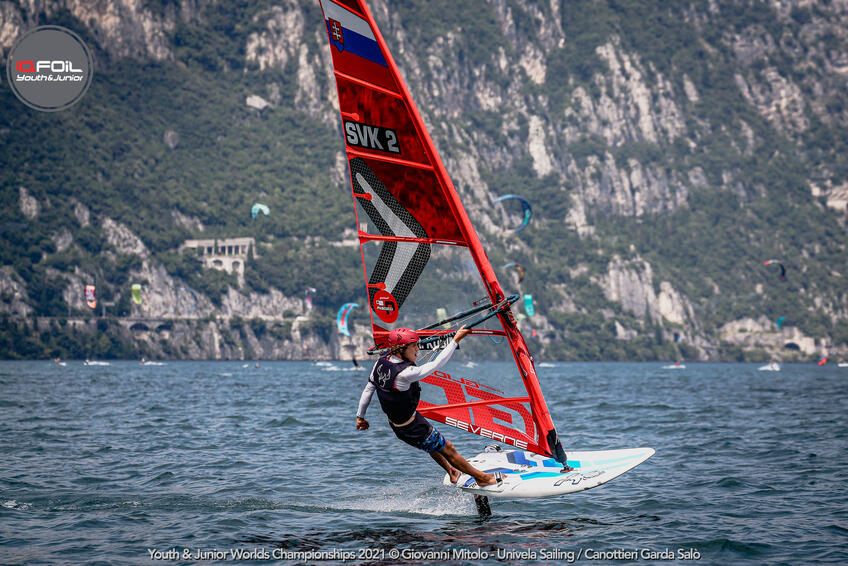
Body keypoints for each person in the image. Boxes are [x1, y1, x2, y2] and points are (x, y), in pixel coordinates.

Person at [355, 326, 500, 487]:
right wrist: (455, 340)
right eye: (414, 346)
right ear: (400, 349)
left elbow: (369, 388)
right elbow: (437, 363)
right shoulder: (405, 373)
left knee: (429, 443)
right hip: (411, 426)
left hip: (400, 424)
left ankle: (452, 472)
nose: (418, 349)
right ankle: (482, 478)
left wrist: (360, 417)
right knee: (448, 448)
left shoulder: (381, 363)